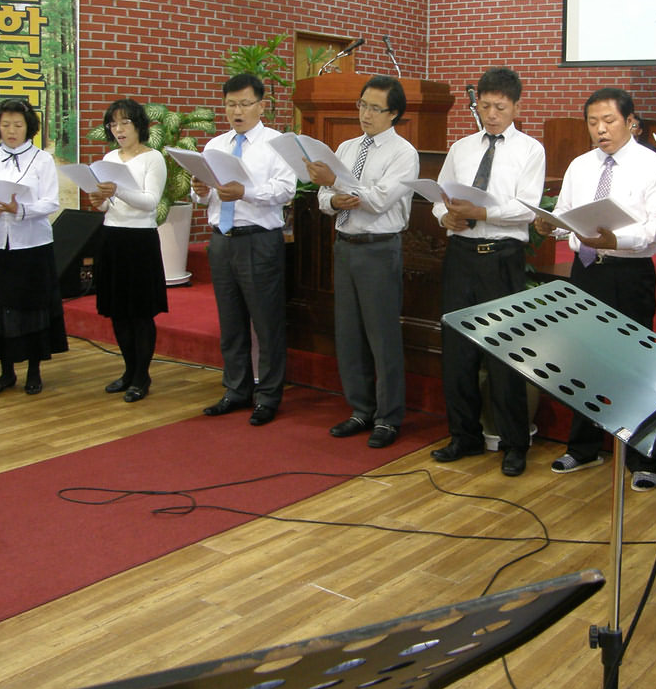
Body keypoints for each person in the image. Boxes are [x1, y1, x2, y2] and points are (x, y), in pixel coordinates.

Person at [534, 88, 656, 489]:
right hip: (586, 272)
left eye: (609, 121)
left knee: (636, 365)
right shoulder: (581, 165)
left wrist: (619, 240)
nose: (600, 130)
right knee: (583, 360)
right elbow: (566, 215)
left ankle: (643, 458)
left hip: (629, 273)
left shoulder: (653, 167)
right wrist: (550, 225)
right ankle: (583, 447)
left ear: (631, 121)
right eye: (593, 122)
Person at [431, 67, 545, 477]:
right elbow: (438, 197)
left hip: (501, 258)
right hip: (461, 255)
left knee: (504, 353)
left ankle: (515, 443)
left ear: (516, 106)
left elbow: (528, 208)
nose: (492, 114)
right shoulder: (461, 148)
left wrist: (483, 212)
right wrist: (445, 216)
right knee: (458, 351)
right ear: (476, 103)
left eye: (500, 107)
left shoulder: (530, 150)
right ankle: (464, 436)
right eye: (485, 106)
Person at [309, 75, 419, 448]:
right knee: (349, 332)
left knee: (381, 336)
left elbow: (378, 200)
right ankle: (360, 409)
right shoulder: (346, 146)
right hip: (345, 244)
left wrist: (338, 187)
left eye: (375, 108)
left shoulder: (403, 153)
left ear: (394, 114)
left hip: (378, 248)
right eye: (362, 105)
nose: (366, 114)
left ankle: (388, 418)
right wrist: (334, 197)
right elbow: (324, 199)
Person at [192, 73, 296, 426]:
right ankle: (236, 389)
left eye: (244, 104)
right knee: (231, 321)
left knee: (266, 323)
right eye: (231, 104)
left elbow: (285, 190)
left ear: (261, 105)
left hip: (259, 239)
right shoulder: (216, 145)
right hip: (222, 240)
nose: (237, 111)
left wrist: (245, 192)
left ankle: (268, 395)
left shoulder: (277, 143)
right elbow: (202, 197)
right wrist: (201, 189)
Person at [0, 98, 68, 395]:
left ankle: (34, 371)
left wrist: (20, 210)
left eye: (17, 125)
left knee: (32, 306)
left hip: (32, 243)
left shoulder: (42, 160)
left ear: (29, 127)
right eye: (5, 125)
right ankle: (6, 371)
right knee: (0, 307)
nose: (11, 131)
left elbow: (51, 201)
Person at [87, 98, 168, 402]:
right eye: (113, 124)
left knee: (140, 313)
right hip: (112, 237)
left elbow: (150, 202)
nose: (118, 129)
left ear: (139, 125)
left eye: (124, 123)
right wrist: (101, 201)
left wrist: (118, 189)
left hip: (139, 240)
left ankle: (142, 376)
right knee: (118, 311)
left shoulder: (153, 158)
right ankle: (128, 370)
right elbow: (111, 204)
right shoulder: (110, 157)